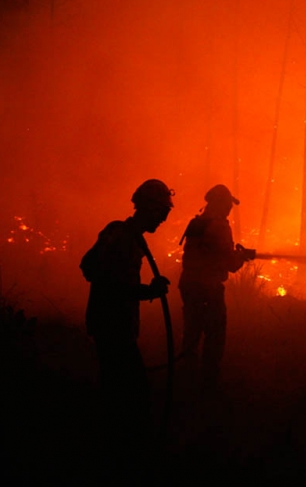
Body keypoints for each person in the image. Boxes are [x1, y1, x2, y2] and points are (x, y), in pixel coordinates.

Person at [79, 179, 173, 450]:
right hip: (110, 326)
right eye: (162, 213)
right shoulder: (118, 233)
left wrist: (145, 291)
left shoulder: (133, 238)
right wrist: (143, 291)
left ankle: (119, 442)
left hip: (120, 326)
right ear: (148, 208)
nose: (164, 220)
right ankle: (122, 449)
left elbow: (121, 284)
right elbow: (90, 267)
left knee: (122, 391)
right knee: (129, 393)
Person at [178, 184, 254, 391]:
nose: (230, 208)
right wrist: (242, 257)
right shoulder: (219, 226)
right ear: (220, 204)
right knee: (215, 335)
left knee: (191, 333)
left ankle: (185, 380)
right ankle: (207, 385)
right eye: (228, 203)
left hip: (189, 284)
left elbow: (204, 253)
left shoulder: (197, 222)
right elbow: (229, 264)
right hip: (208, 288)